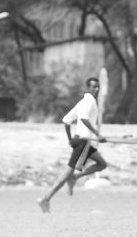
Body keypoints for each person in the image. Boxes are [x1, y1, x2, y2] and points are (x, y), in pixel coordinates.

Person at [37, 77, 107, 213]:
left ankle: (75, 178)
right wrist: (97, 134)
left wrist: (70, 140)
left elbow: (66, 120)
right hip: (83, 142)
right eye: (94, 87)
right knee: (67, 172)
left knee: (101, 164)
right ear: (88, 88)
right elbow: (84, 119)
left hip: (83, 142)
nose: (97, 89)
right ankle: (45, 199)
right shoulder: (90, 101)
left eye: (98, 87)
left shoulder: (82, 102)